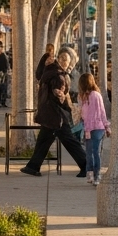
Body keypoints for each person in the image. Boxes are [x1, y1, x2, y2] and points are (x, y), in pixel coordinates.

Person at [20, 47, 87, 178]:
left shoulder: (51, 73)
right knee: (61, 141)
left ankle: (33, 166)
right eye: (63, 59)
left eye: (67, 60)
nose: (65, 62)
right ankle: (33, 166)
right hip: (56, 116)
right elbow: (59, 93)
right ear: (59, 59)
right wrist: (62, 97)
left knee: (50, 141)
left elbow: (42, 79)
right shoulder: (58, 76)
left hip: (51, 115)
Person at [78, 72, 109, 185]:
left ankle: (93, 175)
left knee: (91, 152)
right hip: (93, 127)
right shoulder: (91, 95)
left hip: (92, 128)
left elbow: (99, 112)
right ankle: (94, 175)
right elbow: (102, 112)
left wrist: (106, 125)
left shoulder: (88, 96)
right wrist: (106, 126)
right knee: (93, 152)